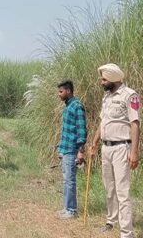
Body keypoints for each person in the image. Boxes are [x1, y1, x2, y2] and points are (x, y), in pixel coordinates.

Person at [91, 63, 140, 237]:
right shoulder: (107, 97)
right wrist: (94, 142)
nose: (101, 82)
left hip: (121, 148)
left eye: (103, 79)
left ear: (112, 79)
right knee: (109, 187)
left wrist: (134, 152)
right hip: (106, 148)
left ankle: (127, 232)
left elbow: (135, 124)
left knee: (122, 190)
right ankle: (111, 221)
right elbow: (103, 122)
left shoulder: (130, 95)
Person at [56, 80, 87, 220]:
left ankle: (72, 210)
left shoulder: (77, 106)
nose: (59, 94)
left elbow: (81, 130)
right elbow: (67, 130)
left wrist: (80, 151)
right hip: (66, 149)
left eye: (61, 91)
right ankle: (67, 208)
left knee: (70, 180)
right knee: (66, 180)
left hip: (73, 149)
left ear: (68, 91)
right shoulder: (68, 106)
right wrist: (60, 149)